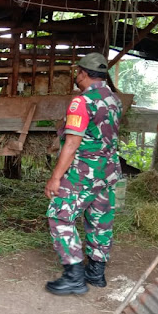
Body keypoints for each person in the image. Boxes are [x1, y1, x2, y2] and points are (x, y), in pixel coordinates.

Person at [43, 52, 122, 296]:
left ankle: (74, 275)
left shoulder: (82, 102)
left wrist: (56, 177)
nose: (77, 77)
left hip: (85, 171)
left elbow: (72, 143)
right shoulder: (114, 99)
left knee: (59, 214)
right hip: (109, 170)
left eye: (78, 73)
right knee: (100, 219)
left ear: (84, 73)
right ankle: (96, 273)